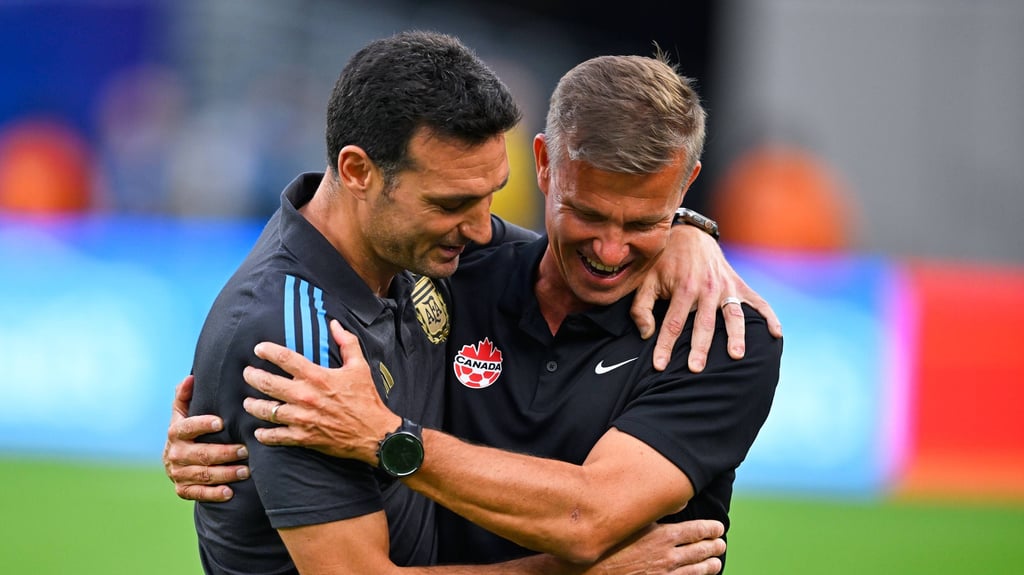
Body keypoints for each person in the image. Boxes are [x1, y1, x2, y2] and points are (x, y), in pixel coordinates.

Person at [170, 46, 780, 574]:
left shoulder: (722, 336)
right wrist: (228, 423)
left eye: (645, 222)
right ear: (545, 166)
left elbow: (587, 517)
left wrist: (692, 235)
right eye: (587, 214)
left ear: (686, 186)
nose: (611, 249)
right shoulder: (450, 269)